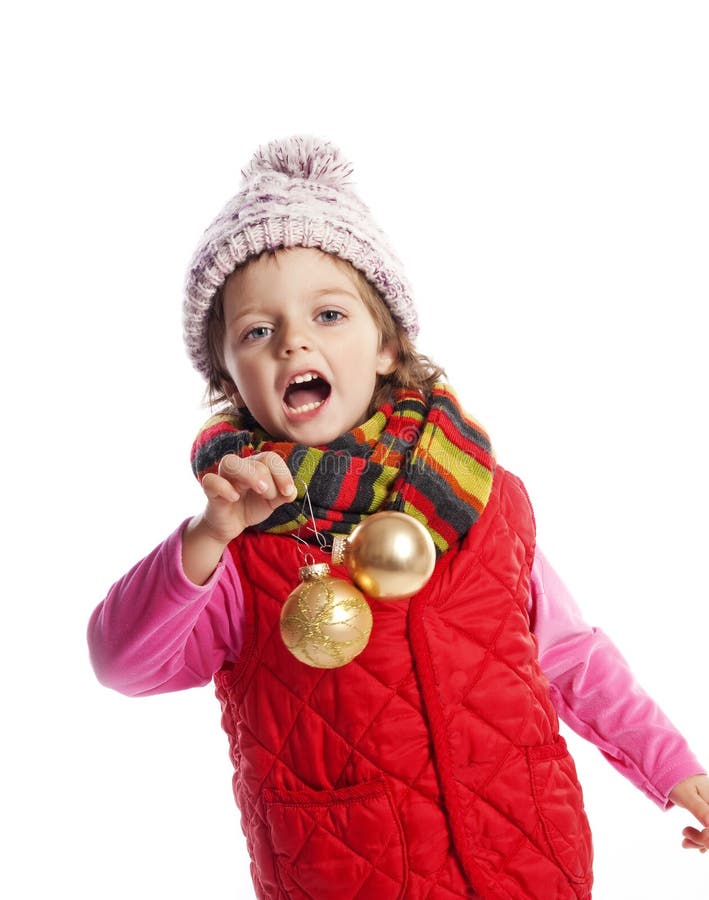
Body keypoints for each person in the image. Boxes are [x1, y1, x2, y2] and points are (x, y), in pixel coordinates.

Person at [88, 135, 709, 899]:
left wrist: (672, 768)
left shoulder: (481, 497)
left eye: (328, 313)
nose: (295, 340)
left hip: (530, 861)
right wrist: (209, 537)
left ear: (386, 345)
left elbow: (571, 658)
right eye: (257, 331)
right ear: (228, 375)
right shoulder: (239, 544)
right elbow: (121, 663)